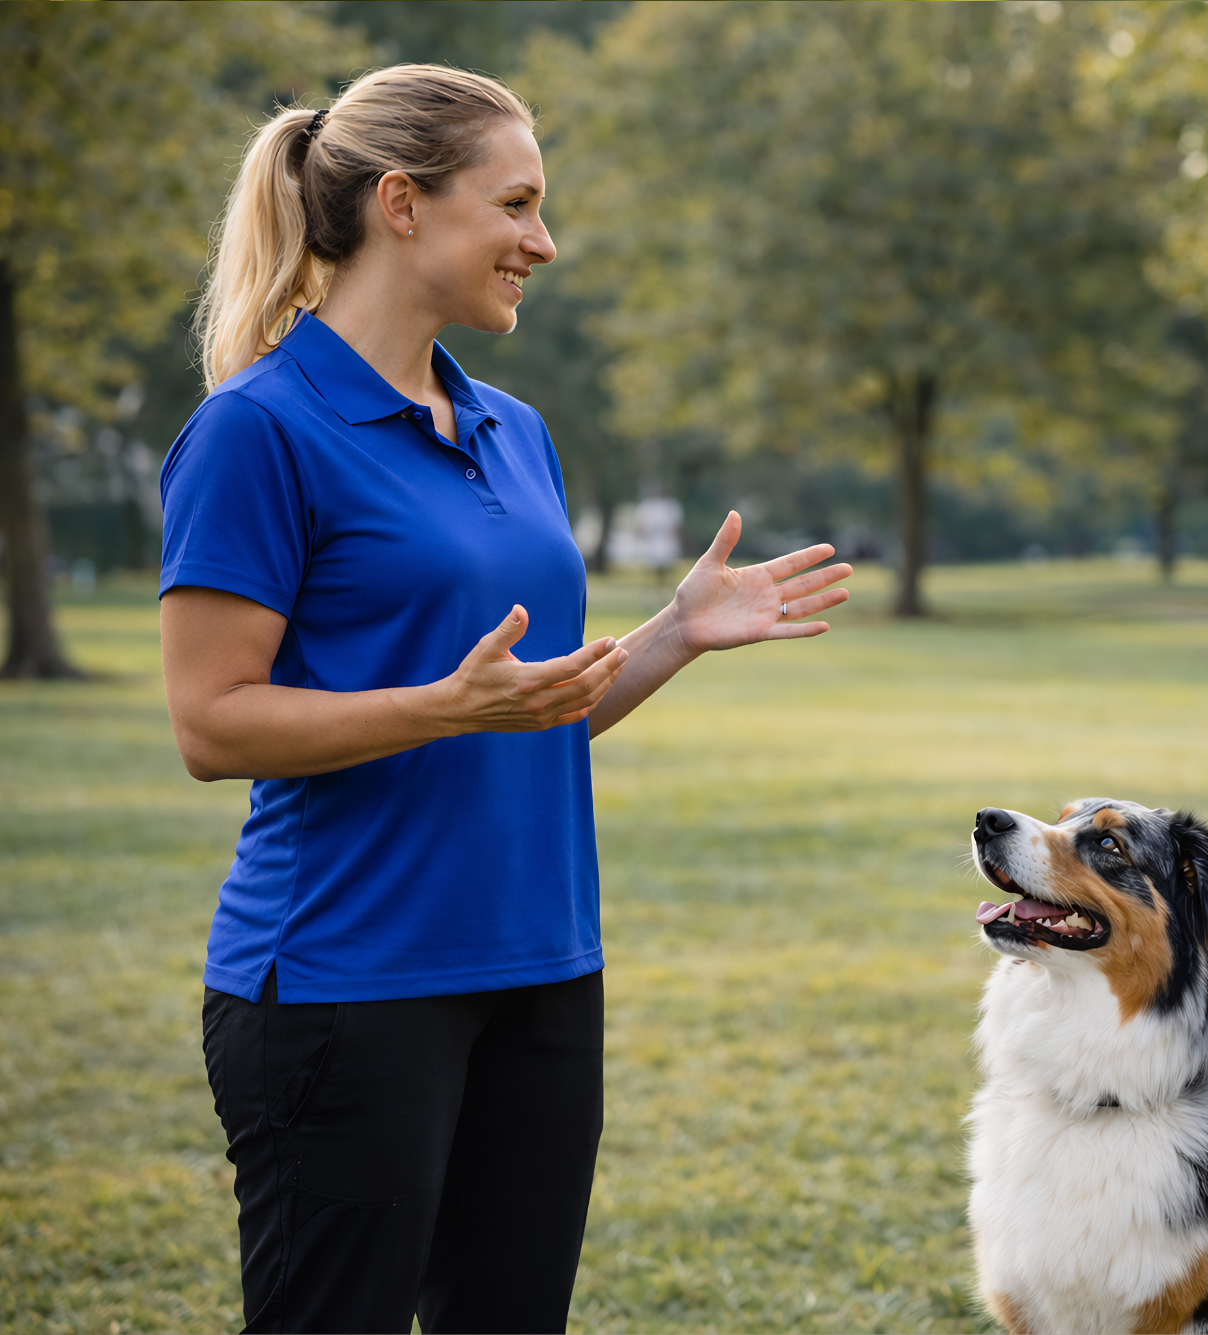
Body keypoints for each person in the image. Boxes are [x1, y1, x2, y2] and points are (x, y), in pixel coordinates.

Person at [161, 65, 851, 1334]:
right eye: (517, 204)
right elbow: (212, 725)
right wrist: (439, 707)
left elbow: (532, 709)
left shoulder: (512, 429)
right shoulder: (257, 428)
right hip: (342, 984)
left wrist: (675, 636)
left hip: (542, 968)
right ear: (401, 206)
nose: (545, 241)